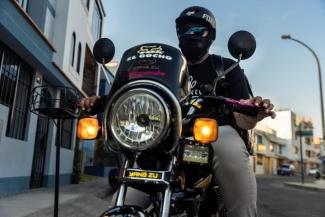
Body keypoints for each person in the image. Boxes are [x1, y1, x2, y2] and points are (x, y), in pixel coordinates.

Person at [80, 6, 276, 217]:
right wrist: (99, 101)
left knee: (232, 152)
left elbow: (243, 114)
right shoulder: (163, 67)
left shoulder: (226, 67)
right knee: (124, 199)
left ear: (211, 35)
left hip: (213, 132)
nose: (189, 35)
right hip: (165, 137)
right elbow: (141, 95)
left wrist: (255, 109)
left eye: (197, 30)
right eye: (184, 30)